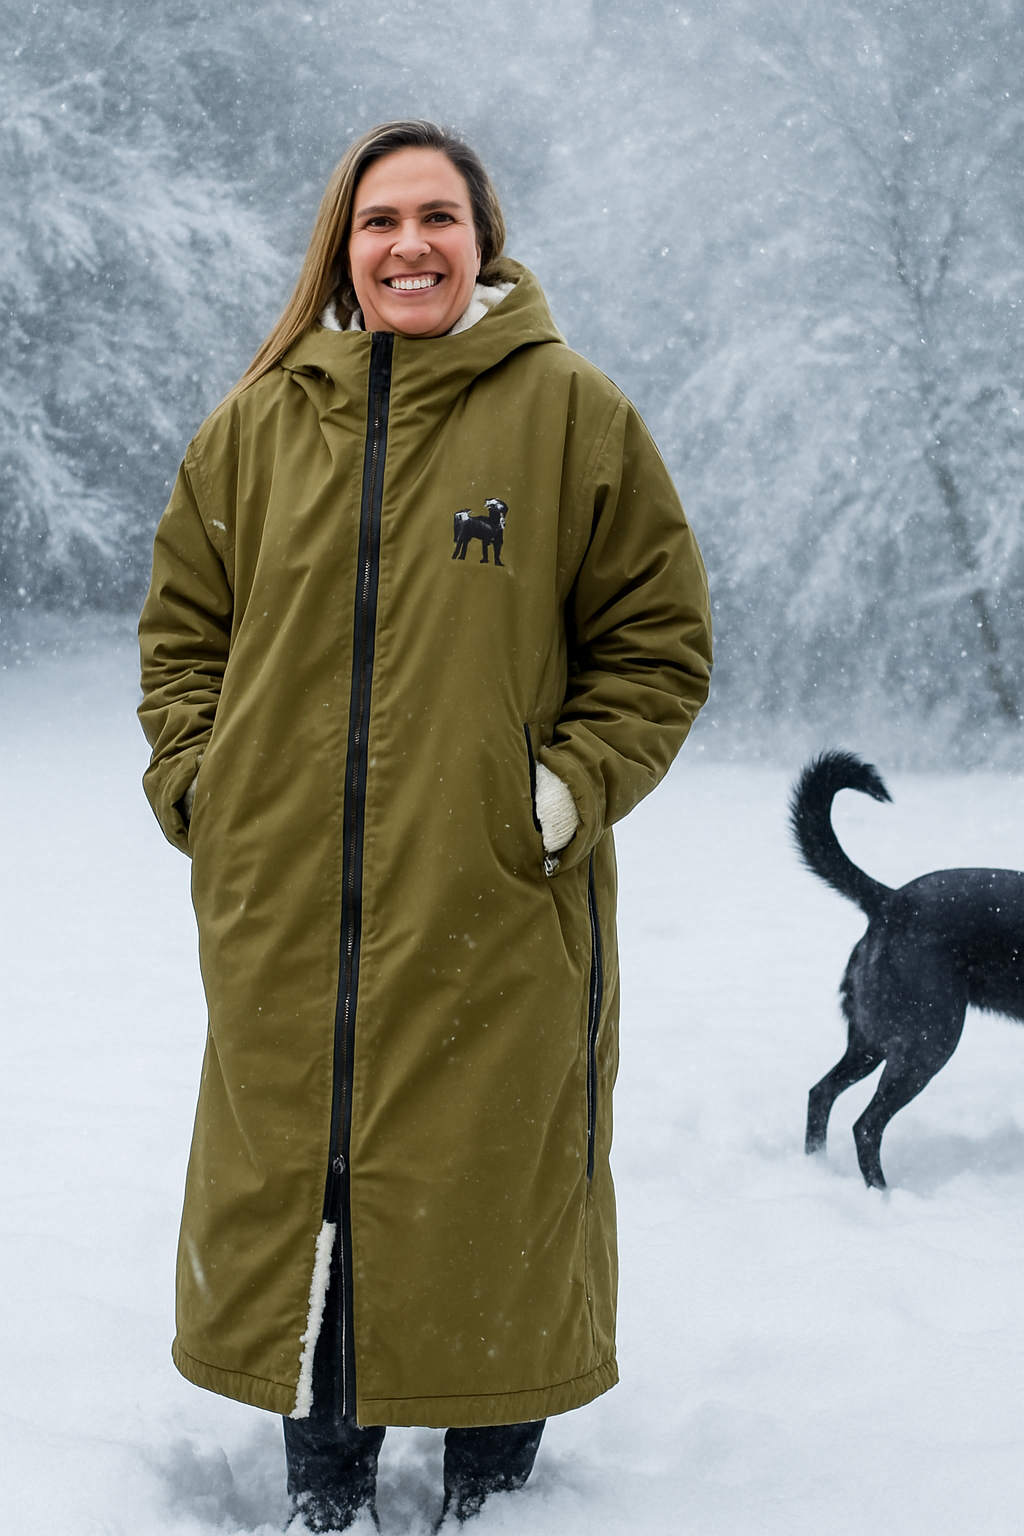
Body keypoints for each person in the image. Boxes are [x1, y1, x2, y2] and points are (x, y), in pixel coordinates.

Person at [138, 119, 712, 1531]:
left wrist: (560, 794)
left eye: (438, 217)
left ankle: (493, 1494)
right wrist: (207, 790)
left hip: (495, 904)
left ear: (483, 237)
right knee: (312, 1180)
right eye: (381, 220)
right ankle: (326, 1492)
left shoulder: (573, 413)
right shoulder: (258, 425)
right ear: (343, 246)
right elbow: (182, 638)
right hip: (286, 911)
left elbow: (656, 644)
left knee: (488, 1181)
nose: (410, 245)